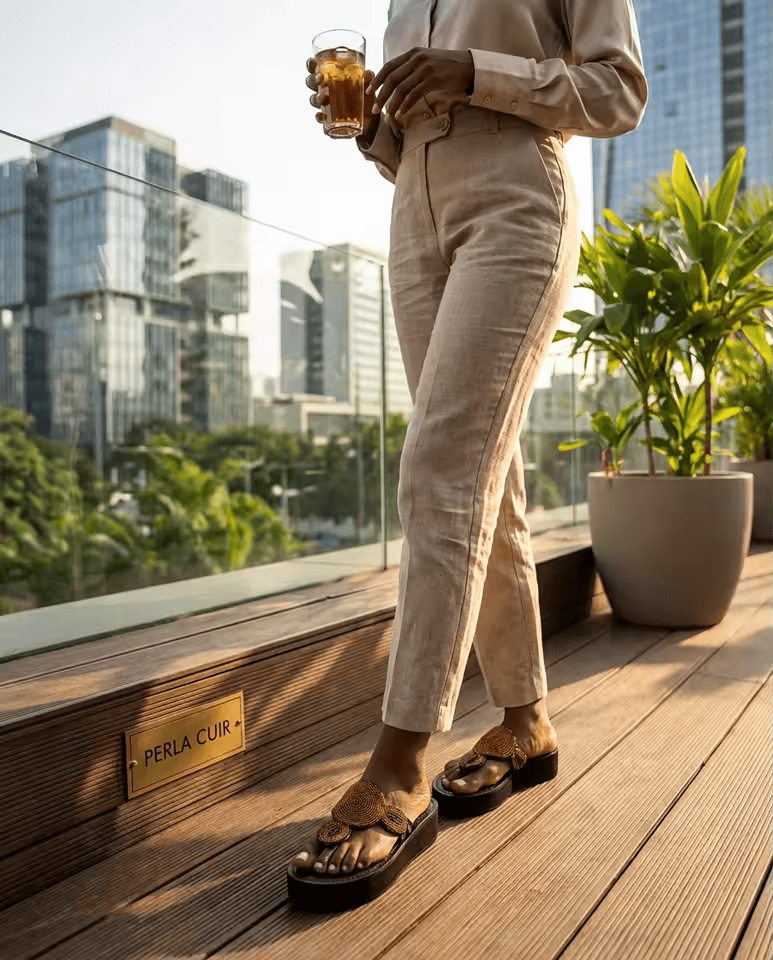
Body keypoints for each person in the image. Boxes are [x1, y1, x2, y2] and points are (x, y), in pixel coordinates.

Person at [289, 0, 648, 911]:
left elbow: (618, 94)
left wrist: (475, 73)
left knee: (440, 467)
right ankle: (524, 721)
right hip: (415, 215)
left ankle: (400, 761)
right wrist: (370, 121)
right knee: (489, 477)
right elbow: (405, 140)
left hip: (518, 199)